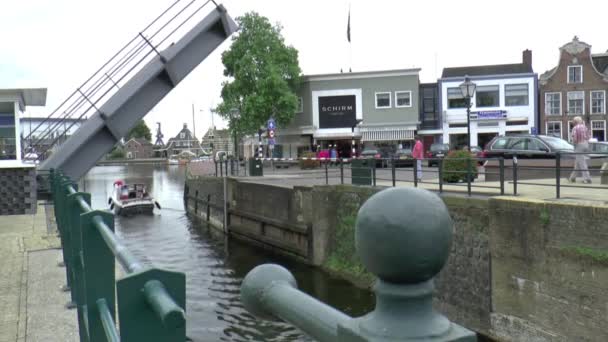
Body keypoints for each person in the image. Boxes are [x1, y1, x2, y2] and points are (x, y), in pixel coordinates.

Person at [569, 116, 591, 184]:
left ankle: (587, 178)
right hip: (586, 144)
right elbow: (588, 136)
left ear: (575, 122)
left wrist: (574, 145)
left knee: (582, 163)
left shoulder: (575, 128)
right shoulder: (585, 127)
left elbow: (574, 139)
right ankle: (572, 177)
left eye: (573, 121)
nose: (572, 122)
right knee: (578, 162)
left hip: (579, 145)